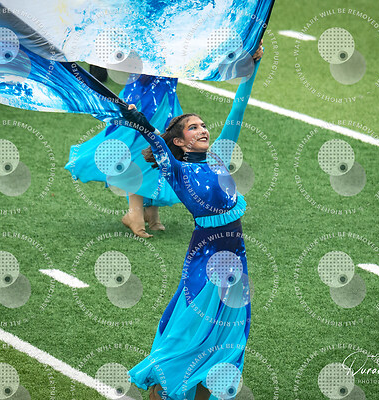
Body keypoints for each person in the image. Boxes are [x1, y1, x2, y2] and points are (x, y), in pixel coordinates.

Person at [123, 43, 263, 400]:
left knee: (226, 345)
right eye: (193, 128)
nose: (202, 130)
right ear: (180, 142)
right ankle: (159, 391)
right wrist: (137, 118)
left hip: (235, 264)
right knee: (187, 338)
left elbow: (238, 109)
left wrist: (251, 69)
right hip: (205, 263)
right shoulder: (178, 170)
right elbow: (154, 140)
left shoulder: (218, 156)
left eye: (203, 125)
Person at [65, 74, 183, 237]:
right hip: (142, 96)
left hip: (166, 97)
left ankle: (150, 210)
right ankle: (135, 213)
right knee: (139, 151)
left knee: (160, 151)